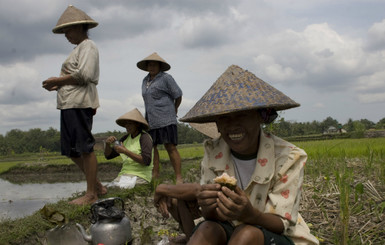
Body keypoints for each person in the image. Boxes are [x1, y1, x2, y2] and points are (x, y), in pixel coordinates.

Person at [154, 65, 319, 244]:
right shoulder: (213, 152)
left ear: (260, 116)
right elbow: (211, 216)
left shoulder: (288, 157)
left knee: (247, 234)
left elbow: (281, 224)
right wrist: (207, 207)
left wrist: (250, 214)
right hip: (230, 229)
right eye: (224, 117)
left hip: (276, 235)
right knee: (206, 230)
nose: (233, 125)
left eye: (242, 115)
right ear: (216, 124)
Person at [42, 5, 106, 205]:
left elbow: (85, 75)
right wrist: (57, 85)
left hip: (79, 103)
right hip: (69, 103)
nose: (66, 35)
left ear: (80, 27)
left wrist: (58, 80)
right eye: (64, 32)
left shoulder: (88, 46)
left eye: (68, 30)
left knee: (85, 147)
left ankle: (91, 194)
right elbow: (75, 76)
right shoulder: (77, 50)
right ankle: (97, 186)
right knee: (71, 150)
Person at [137, 52, 183, 184]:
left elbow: (178, 94)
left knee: (170, 146)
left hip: (166, 118)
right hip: (151, 120)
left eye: (154, 65)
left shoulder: (166, 78)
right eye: (149, 65)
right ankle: (155, 174)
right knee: (153, 147)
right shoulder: (145, 81)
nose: (151, 67)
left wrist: (175, 109)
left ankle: (179, 176)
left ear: (159, 66)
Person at [104, 108, 153, 187]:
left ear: (137, 124)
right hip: (124, 175)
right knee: (106, 188)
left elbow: (146, 161)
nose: (127, 126)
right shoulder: (125, 138)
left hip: (140, 176)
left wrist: (125, 151)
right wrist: (107, 144)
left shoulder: (144, 137)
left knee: (117, 188)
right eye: (126, 124)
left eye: (129, 124)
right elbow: (108, 156)